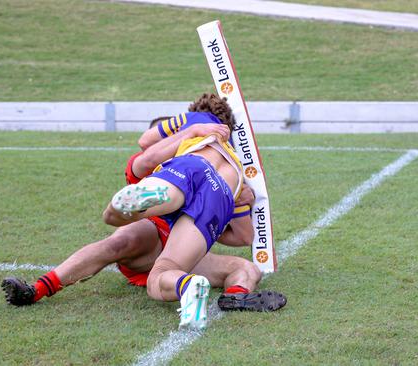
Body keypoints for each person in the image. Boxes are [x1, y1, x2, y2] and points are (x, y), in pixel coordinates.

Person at [1, 94, 286, 317]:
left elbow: (148, 156)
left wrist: (239, 203)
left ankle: (229, 294)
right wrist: (237, 200)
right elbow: (242, 235)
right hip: (171, 229)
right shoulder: (209, 151)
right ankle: (38, 288)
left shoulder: (182, 142)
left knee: (247, 269)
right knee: (124, 237)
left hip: (177, 230)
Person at [102, 94, 285, 330]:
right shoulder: (234, 158)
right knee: (169, 269)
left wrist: (188, 130)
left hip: (193, 165)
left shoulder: (195, 119)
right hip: (226, 188)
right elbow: (244, 237)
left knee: (114, 217)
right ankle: (211, 289)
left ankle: (153, 195)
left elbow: (145, 140)